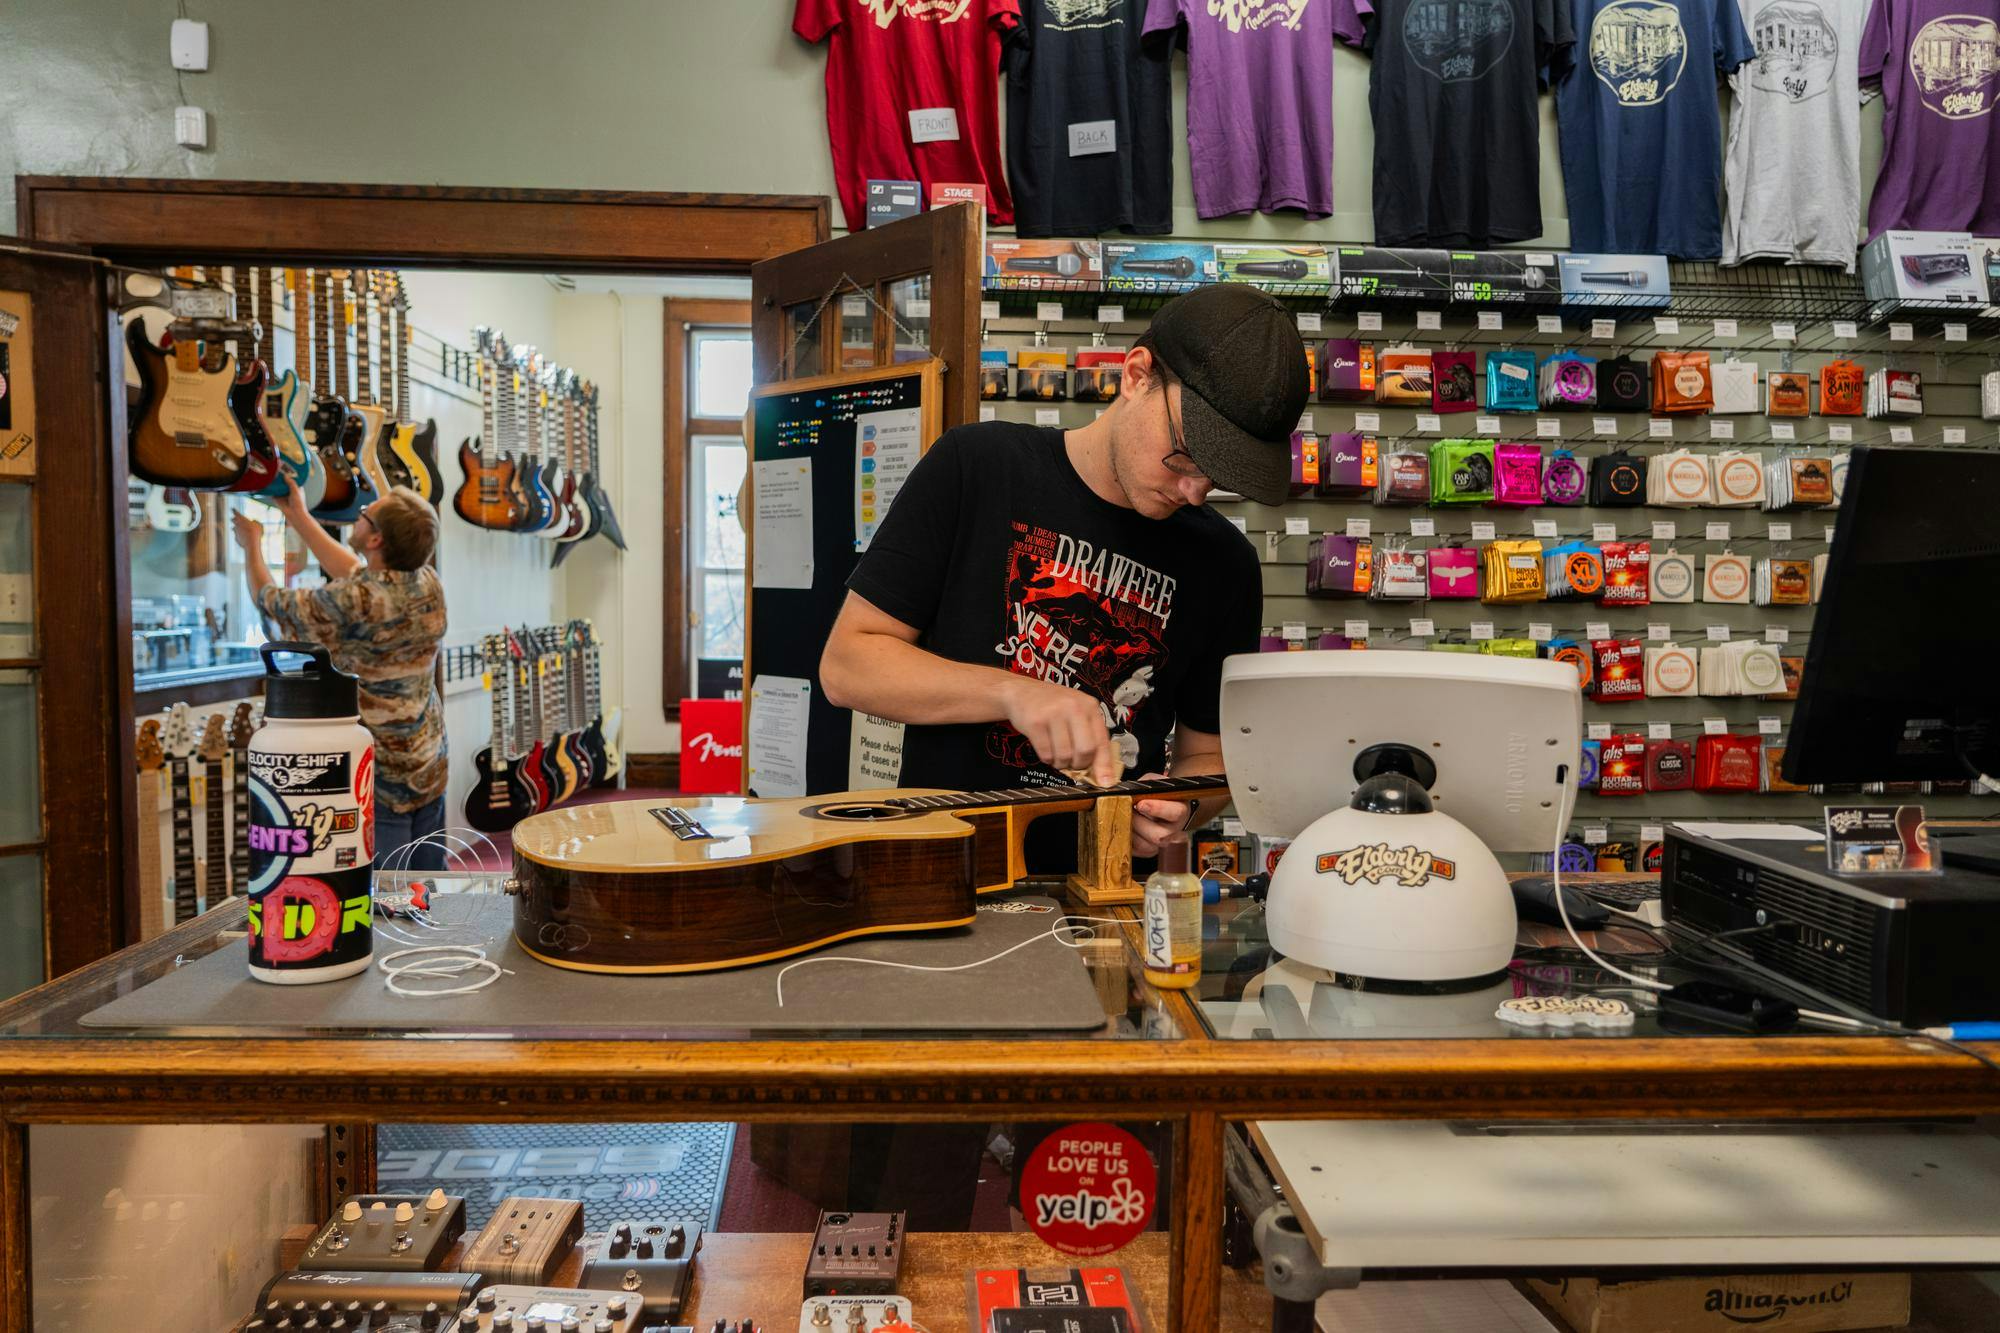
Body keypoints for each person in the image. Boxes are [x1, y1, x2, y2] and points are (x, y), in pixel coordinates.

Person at [820, 284, 1307, 870]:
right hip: (941, 878)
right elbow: (848, 665)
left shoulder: (1226, 563)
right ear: (1136, 375)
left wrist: (1176, 810)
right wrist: (1013, 692)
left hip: (1107, 894)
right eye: (1184, 455)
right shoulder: (976, 467)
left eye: (1217, 476)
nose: (1193, 489)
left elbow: (1207, 758)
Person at [232, 480, 449, 871]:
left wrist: (252, 546)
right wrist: (297, 513)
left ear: (376, 540)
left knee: (390, 893)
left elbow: (272, 602)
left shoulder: (353, 600)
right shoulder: (427, 582)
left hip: (382, 772)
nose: (359, 513)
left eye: (365, 515)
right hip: (429, 761)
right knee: (430, 883)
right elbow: (354, 572)